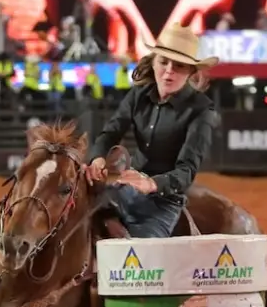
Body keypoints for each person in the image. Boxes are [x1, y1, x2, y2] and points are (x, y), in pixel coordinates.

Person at [84, 22, 219, 239]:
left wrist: (152, 183)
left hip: (165, 202)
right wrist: (97, 158)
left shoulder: (202, 111)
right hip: (128, 188)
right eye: (163, 62)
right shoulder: (139, 94)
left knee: (142, 262)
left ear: (190, 72)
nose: (168, 72)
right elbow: (111, 132)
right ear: (153, 63)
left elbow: (187, 170)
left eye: (179, 66)